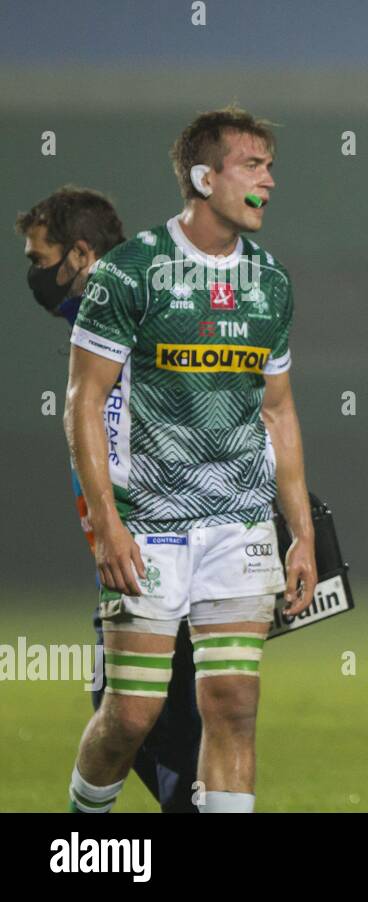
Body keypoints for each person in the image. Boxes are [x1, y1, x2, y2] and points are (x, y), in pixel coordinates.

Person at [63, 106, 317, 813]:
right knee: (131, 717)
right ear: (205, 179)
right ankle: (83, 835)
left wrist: (298, 532)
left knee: (234, 704)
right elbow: (84, 402)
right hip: (149, 528)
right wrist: (106, 526)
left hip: (238, 526)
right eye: (253, 166)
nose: (270, 180)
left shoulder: (271, 282)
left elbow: (278, 410)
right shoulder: (132, 272)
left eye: (270, 166)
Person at [17, 186, 204, 813]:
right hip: (136, 551)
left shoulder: (143, 310)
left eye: (39, 258)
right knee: (138, 718)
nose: (33, 274)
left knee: (134, 716)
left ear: (81, 252)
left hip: (168, 547)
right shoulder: (98, 320)